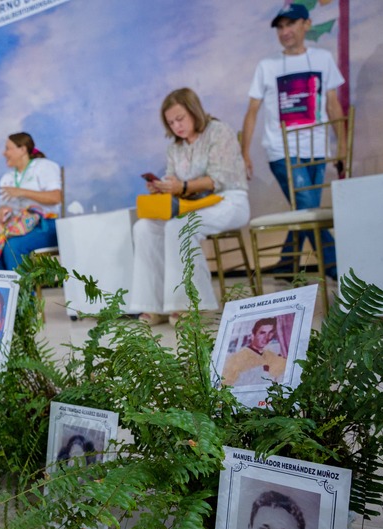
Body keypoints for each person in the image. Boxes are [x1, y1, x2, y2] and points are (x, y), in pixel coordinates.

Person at [241, 3, 344, 278]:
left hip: (317, 148)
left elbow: (333, 106)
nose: (285, 31)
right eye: (280, 26)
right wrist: (245, 153)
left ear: (306, 24)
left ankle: (287, 264)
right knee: (309, 211)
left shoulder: (323, 59)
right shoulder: (267, 66)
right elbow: (252, 111)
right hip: (281, 150)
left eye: (290, 24)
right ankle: (342, 269)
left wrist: (342, 147)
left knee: (303, 210)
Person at [131, 88, 250, 324]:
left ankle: (191, 304)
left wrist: (182, 186)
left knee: (180, 226)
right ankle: (154, 304)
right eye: (171, 122)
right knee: (143, 227)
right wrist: (163, 187)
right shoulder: (174, 148)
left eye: (180, 118)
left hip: (229, 200)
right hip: (192, 206)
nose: (176, 126)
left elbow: (220, 178)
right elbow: (173, 181)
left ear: (194, 111)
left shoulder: (219, 131)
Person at [0, 132, 62, 272]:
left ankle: (24, 293)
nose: (4, 153)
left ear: (23, 149)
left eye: (8, 148)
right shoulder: (8, 177)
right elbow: (2, 208)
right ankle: (3, 292)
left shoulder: (44, 167)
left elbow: (56, 197)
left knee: (14, 246)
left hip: (46, 226)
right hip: (16, 227)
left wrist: (22, 192)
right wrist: (2, 212)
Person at [221, 317, 288, 386]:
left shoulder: (271, 355)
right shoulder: (236, 359)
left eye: (270, 332)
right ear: (253, 335)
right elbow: (225, 385)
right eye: (262, 333)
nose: (266, 337)